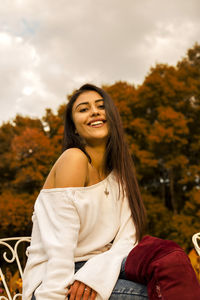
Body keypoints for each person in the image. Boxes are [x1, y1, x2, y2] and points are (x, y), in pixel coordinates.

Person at [22, 84, 200, 300]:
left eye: (100, 106)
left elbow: (127, 240)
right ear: (75, 128)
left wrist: (95, 273)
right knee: (154, 295)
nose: (95, 111)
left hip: (101, 267)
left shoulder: (120, 175)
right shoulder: (74, 160)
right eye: (83, 109)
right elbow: (59, 248)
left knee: (172, 260)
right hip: (55, 280)